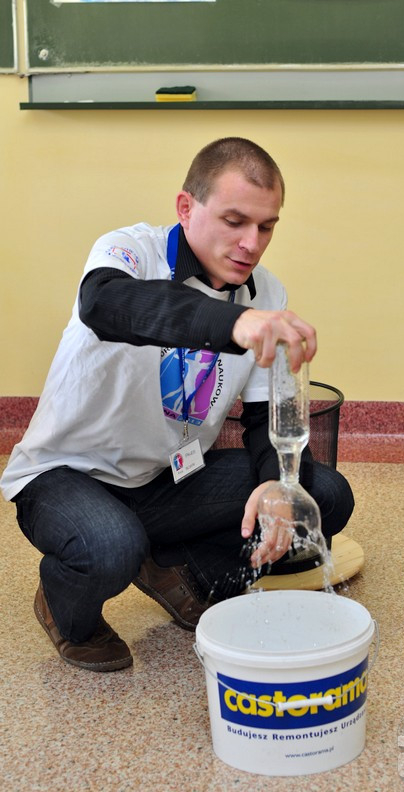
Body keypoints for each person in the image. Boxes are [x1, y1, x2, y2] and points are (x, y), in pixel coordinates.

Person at [1, 137, 354, 672]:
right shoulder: (130, 252)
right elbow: (106, 303)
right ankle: (64, 604)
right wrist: (234, 322)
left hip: (165, 481)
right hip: (65, 474)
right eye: (234, 221)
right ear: (186, 207)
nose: (251, 244)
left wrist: (276, 484)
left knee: (321, 495)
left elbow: (264, 419)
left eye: (266, 226)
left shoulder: (266, 293)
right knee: (108, 547)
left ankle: (172, 566)